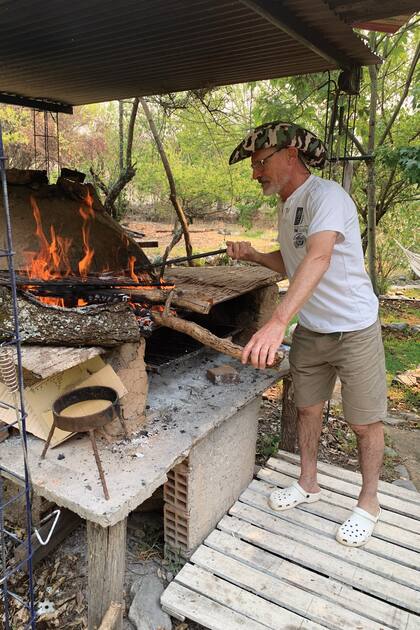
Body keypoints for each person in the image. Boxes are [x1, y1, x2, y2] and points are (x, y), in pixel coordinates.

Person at [227, 121, 387, 547]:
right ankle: (308, 483)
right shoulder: (287, 205)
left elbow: (318, 258)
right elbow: (294, 260)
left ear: (290, 155)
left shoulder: (327, 197)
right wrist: (255, 255)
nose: (255, 172)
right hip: (313, 330)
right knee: (307, 410)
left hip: (354, 328)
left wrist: (278, 321)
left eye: (260, 162)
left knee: (364, 421)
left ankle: (369, 502)